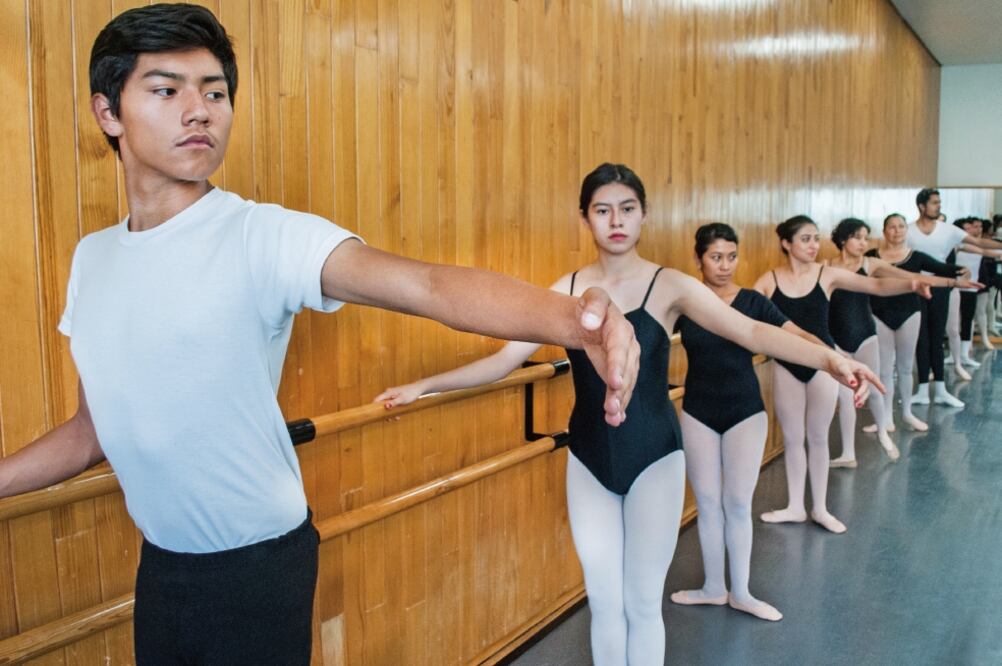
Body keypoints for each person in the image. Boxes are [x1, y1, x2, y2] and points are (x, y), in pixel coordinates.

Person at [0, 6, 644, 665]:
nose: (200, 110)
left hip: (257, 566)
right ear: (108, 112)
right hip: (164, 566)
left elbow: (427, 286)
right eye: (167, 90)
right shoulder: (94, 260)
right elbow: (90, 431)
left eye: (215, 92)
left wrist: (573, 320)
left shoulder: (262, 236)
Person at [376, 166, 879, 665]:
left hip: (655, 459)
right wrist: (423, 385)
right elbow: (504, 361)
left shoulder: (670, 285)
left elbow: (750, 332)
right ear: (584, 218)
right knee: (605, 606)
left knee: (641, 604)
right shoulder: (566, 289)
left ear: (643, 216)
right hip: (588, 462)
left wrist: (830, 357)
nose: (615, 220)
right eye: (602, 210)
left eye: (627, 208)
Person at [669, 223, 821, 623]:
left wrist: (834, 358)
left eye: (731, 257)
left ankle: (741, 592)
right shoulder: (687, 303)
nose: (724, 265)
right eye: (715, 257)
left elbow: (794, 333)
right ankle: (713, 588)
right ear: (698, 258)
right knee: (707, 503)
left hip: (745, 412)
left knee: (737, 504)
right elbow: (647, 335)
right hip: (699, 411)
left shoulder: (753, 302)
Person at [753, 215, 927, 532]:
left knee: (818, 438)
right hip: (786, 366)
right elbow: (745, 314)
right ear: (786, 243)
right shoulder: (768, 280)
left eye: (816, 238)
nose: (813, 245)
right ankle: (795, 506)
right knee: (793, 439)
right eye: (805, 238)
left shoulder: (826, 274)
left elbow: (873, 284)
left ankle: (819, 508)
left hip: (823, 363)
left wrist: (911, 283)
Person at [826, 218, 976, 465]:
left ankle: (885, 432)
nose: (864, 243)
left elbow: (911, 277)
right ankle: (848, 453)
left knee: (874, 388)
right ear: (843, 239)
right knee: (844, 396)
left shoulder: (871, 263)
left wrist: (953, 282)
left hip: (865, 334)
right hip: (838, 338)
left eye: (866, 237)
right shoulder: (826, 267)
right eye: (858, 237)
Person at [864, 214, 971, 432]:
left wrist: (963, 271)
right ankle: (885, 418)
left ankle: (907, 413)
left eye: (901, 226)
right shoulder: (871, 257)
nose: (897, 231)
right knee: (884, 369)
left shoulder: (916, 256)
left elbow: (942, 268)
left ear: (906, 230)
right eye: (892, 227)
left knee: (904, 368)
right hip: (879, 314)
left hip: (909, 313)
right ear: (884, 232)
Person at [906, 189, 1002, 407]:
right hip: (916, 289)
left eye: (939, 202)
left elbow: (980, 244)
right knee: (922, 339)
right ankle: (922, 390)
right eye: (934, 203)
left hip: (941, 288)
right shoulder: (909, 231)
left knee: (937, 337)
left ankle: (940, 389)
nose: (938, 206)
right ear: (922, 206)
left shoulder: (948, 230)